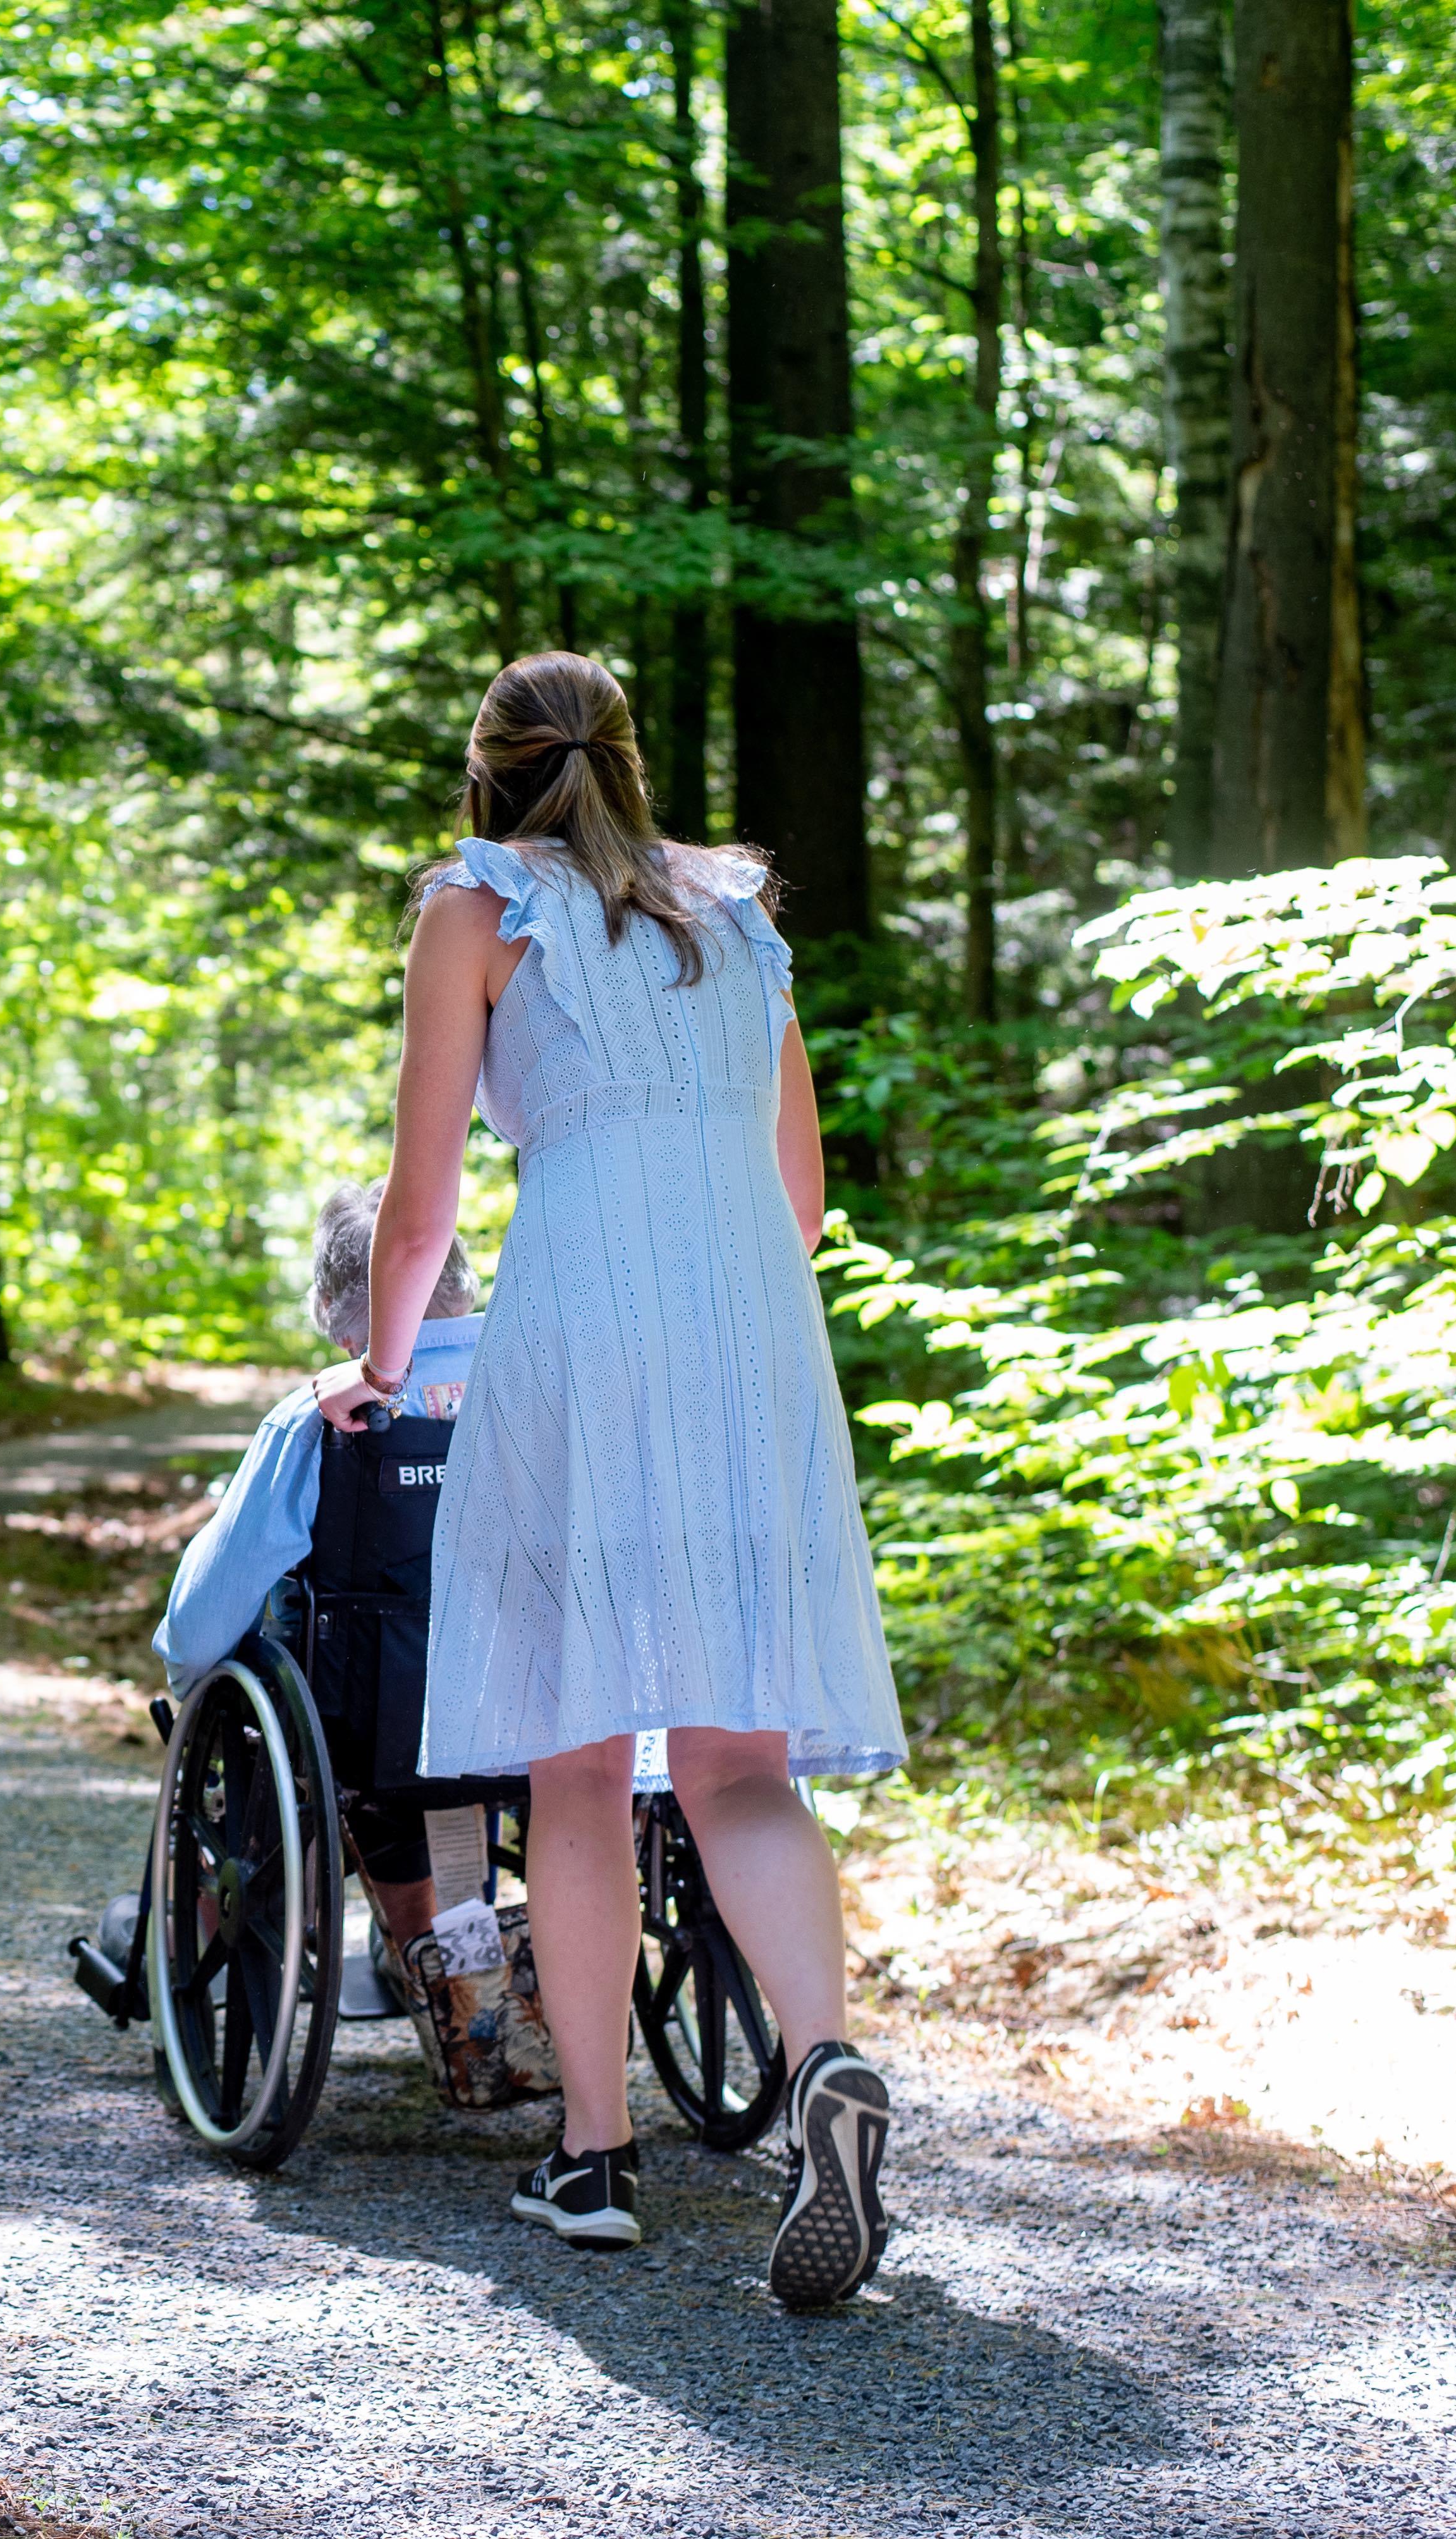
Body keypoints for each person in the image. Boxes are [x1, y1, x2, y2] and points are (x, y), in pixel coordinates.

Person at [310, 650, 905, 2307]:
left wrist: (377, 1375)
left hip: (579, 1329)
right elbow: (801, 1202)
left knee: (573, 1765)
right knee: (736, 1759)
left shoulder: (473, 908)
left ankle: (593, 2155)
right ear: (631, 763)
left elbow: (418, 1213)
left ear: (488, 774)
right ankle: (828, 2064)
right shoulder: (739, 915)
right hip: (752, 1341)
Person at [152, 1178, 483, 1957]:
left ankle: (223, 1932)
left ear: (334, 1316)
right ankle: (445, 1947)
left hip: (377, 1724)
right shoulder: (545, 1380)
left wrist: (183, 1669)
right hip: (541, 1711)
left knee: (328, 1713)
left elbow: (199, 1626)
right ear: (463, 1280)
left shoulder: (319, 1418)